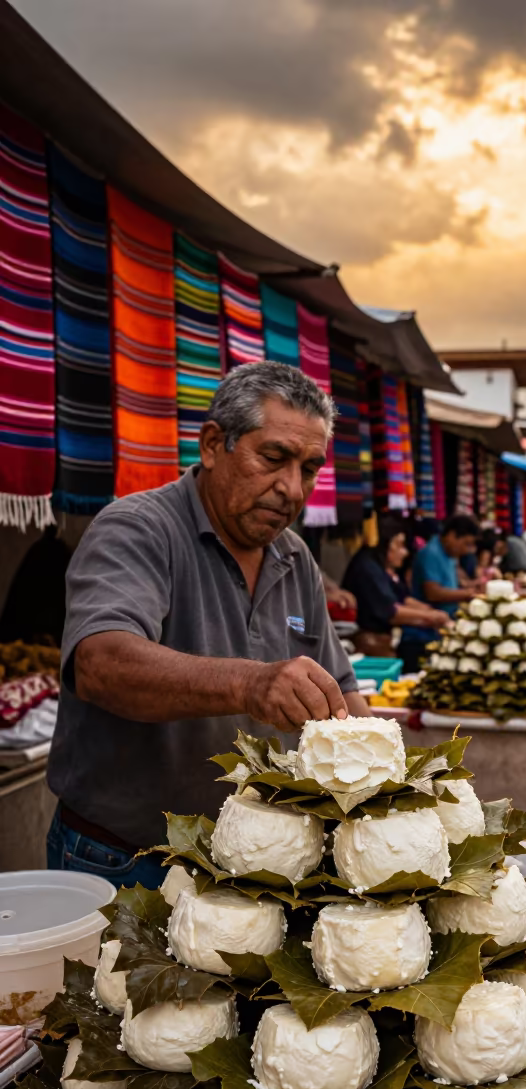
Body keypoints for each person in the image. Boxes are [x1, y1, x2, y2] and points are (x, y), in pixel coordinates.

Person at [46, 362, 369, 885]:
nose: (292, 488)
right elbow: (101, 663)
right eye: (273, 458)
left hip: (253, 867)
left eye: (308, 468)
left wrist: (395, 789)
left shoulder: (294, 556)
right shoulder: (136, 529)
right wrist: (251, 682)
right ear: (214, 444)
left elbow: (341, 694)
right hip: (126, 860)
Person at [341, 517, 447, 656]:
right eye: (399, 545)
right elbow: (391, 611)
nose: (405, 552)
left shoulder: (381, 566)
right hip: (368, 643)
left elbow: (402, 598)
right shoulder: (367, 568)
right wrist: (431, 617)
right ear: (386, 544)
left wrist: (432, 613)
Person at [398, 514, 480, 671]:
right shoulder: (431, 553)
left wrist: (473, 586)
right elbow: (433, 593)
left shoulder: (449, 554)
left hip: (438, 629)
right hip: (421, 633)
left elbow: (456, 581)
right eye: (465, 544)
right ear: (451, 536)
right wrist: (469, 594)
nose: (466, 550)